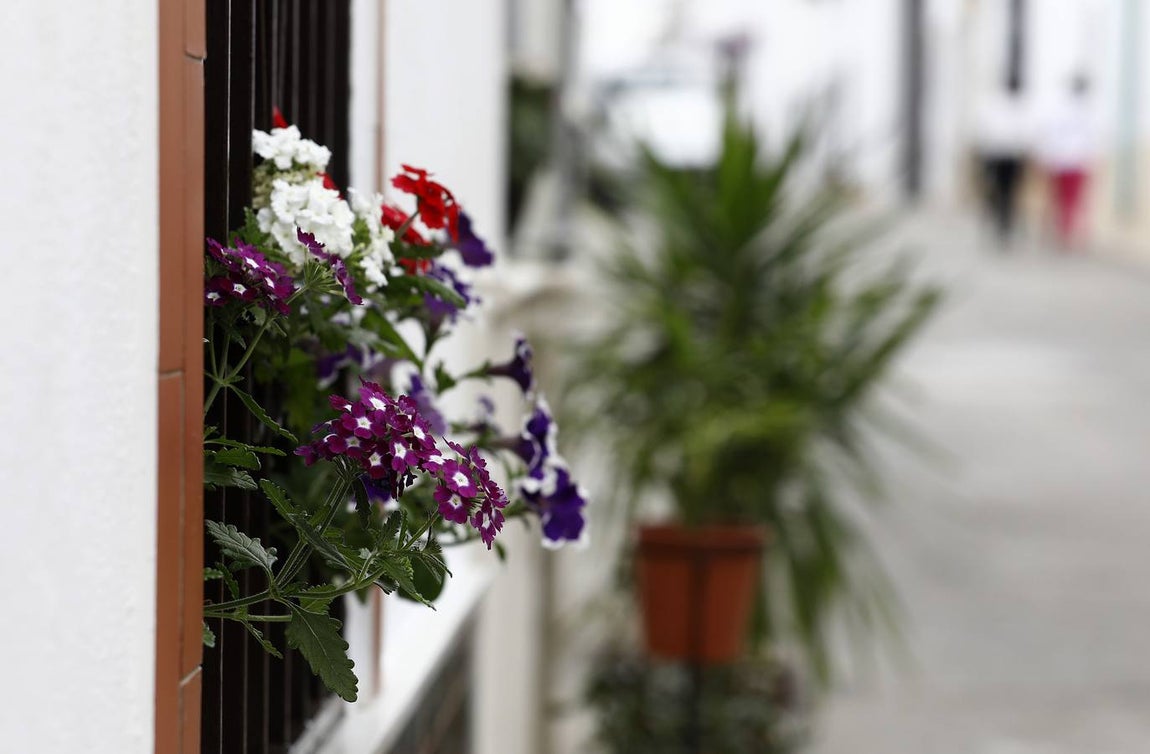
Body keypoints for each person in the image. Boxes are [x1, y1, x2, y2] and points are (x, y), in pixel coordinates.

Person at [1039, 75, 1096, 248]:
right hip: (1071, 161)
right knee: (1069, 199)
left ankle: (1065, 231)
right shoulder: (1078, 109)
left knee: (1066, 199)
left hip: (1067, 160)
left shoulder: (1082, 109)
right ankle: (1064, 231)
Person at [974, 84, 1032, 246]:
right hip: (1001, 156)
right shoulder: (1004, 107)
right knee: (1002, 192)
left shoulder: (1013, 107)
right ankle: (999, 221)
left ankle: (1003, 223)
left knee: (1005, 192)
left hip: (1004, 156)